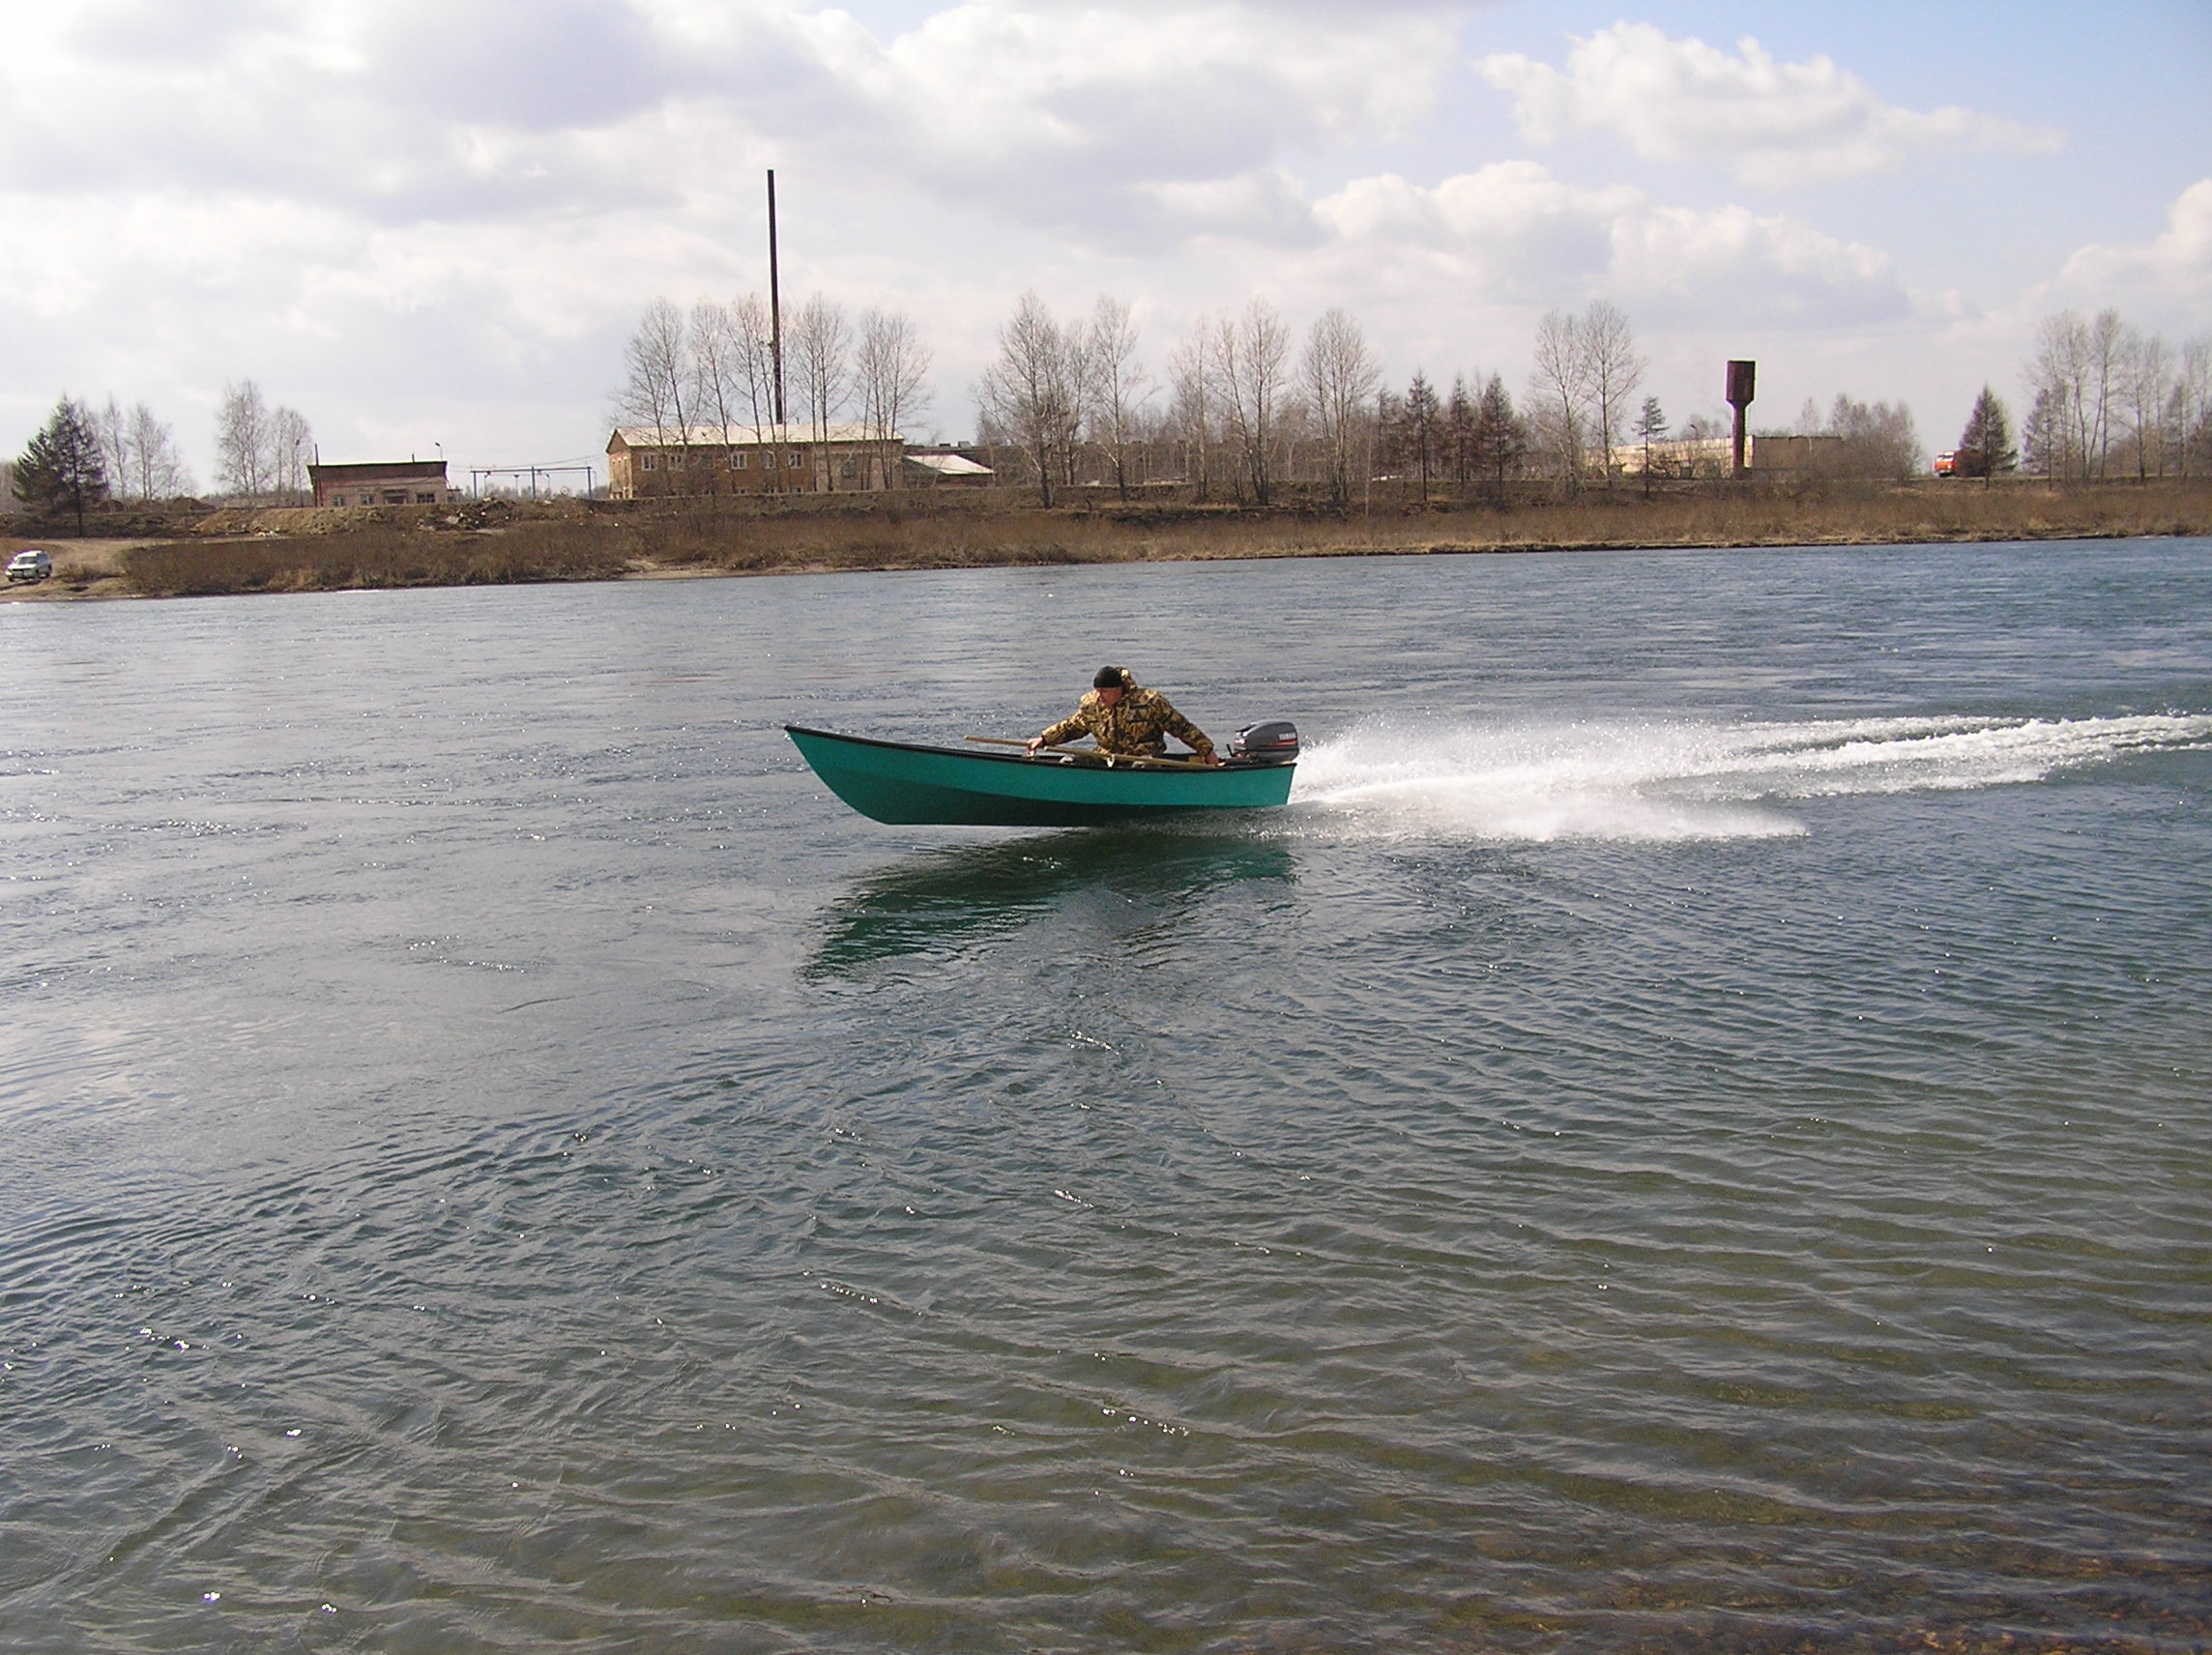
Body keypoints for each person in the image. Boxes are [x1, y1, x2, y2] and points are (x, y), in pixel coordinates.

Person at [1027, 666, 1221, 765]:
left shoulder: (1150, 702)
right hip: (1107, 759)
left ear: (1118, 689)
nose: (1099, 695)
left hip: (1144, 758)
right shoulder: (1091, 705)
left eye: (1104, 691)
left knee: (1143, 768)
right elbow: (1071, 727)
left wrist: (1207, 751)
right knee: (1070, 762)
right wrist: (1044, 739)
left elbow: (1182, 728)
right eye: (1097, 690)